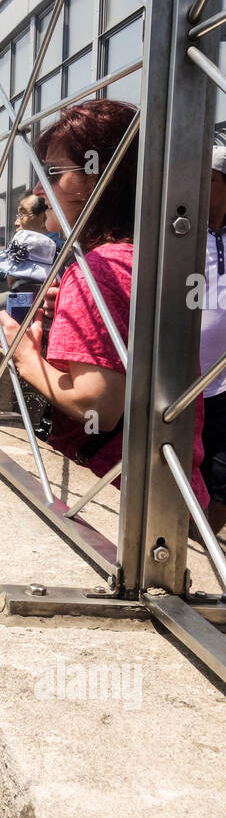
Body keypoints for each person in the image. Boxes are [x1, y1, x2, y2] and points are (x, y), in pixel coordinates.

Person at [0, 99, 209, 506]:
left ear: (104, 179)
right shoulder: (143, 256)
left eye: (54, 174)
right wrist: (78, 312)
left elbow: (97, 403)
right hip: (170, 491)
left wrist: (25, 356)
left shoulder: (98, 268)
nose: (41, 191)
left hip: (116, 499)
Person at [200, 146, 226, 532]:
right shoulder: (174, 233)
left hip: (223, 381)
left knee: (222, 475)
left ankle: (202, 543)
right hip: (177, 377)